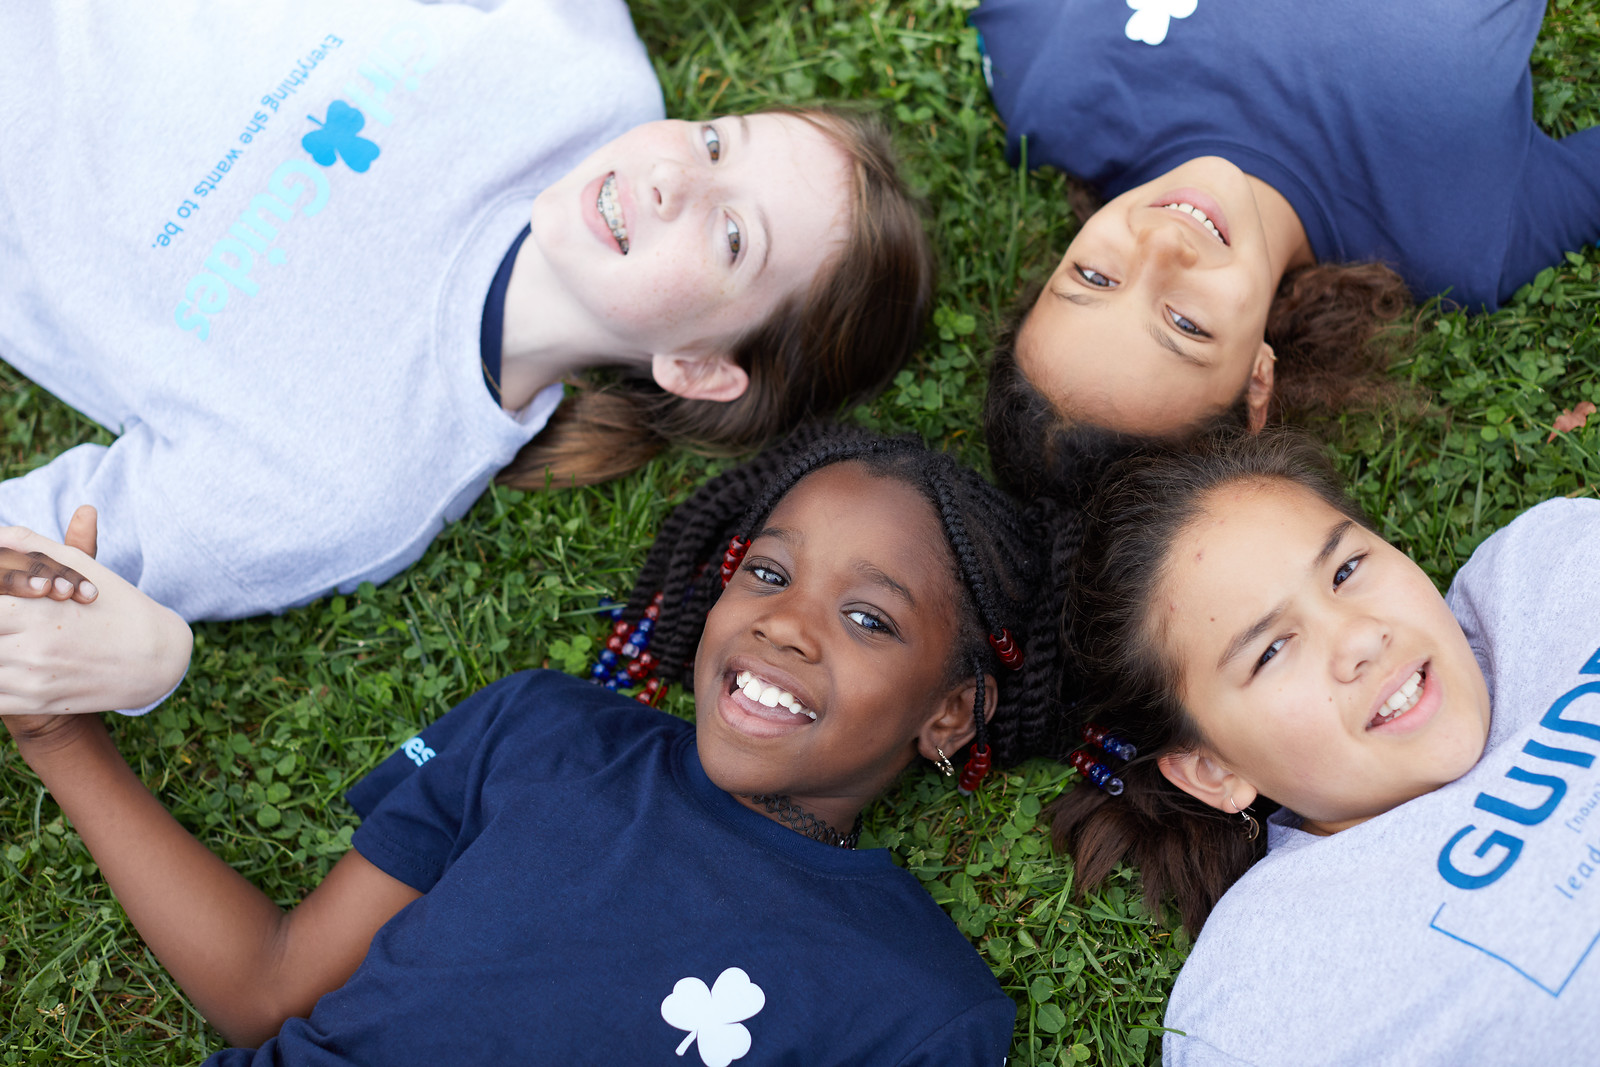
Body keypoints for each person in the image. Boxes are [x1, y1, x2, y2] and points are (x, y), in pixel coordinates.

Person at [0, 423, 1070, 1063]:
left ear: (950, 712)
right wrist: (58, 736)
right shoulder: (543, 729)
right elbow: (268, 989)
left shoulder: (920, 1007)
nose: (785, 622)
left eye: (870, 617)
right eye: (768, 572)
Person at [0, 0, 933, 623]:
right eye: (717, 141)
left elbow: (32, 562)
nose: (671, 174)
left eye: (734, 236)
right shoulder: (589, 79)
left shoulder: (346, 478)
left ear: (697, 365)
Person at [1048, 429, 1599, 1064]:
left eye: (1346, 570)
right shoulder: (1266, 1000)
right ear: (1211, 770)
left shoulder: (1553, 568)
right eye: (1273, 649)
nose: (1360, 637)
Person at [971, 0, 1600, 494]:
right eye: (1185, 323)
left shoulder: (1052, 88)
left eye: (1094, 277)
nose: (1162, 245)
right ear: (1256, 384)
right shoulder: (1463, 234)